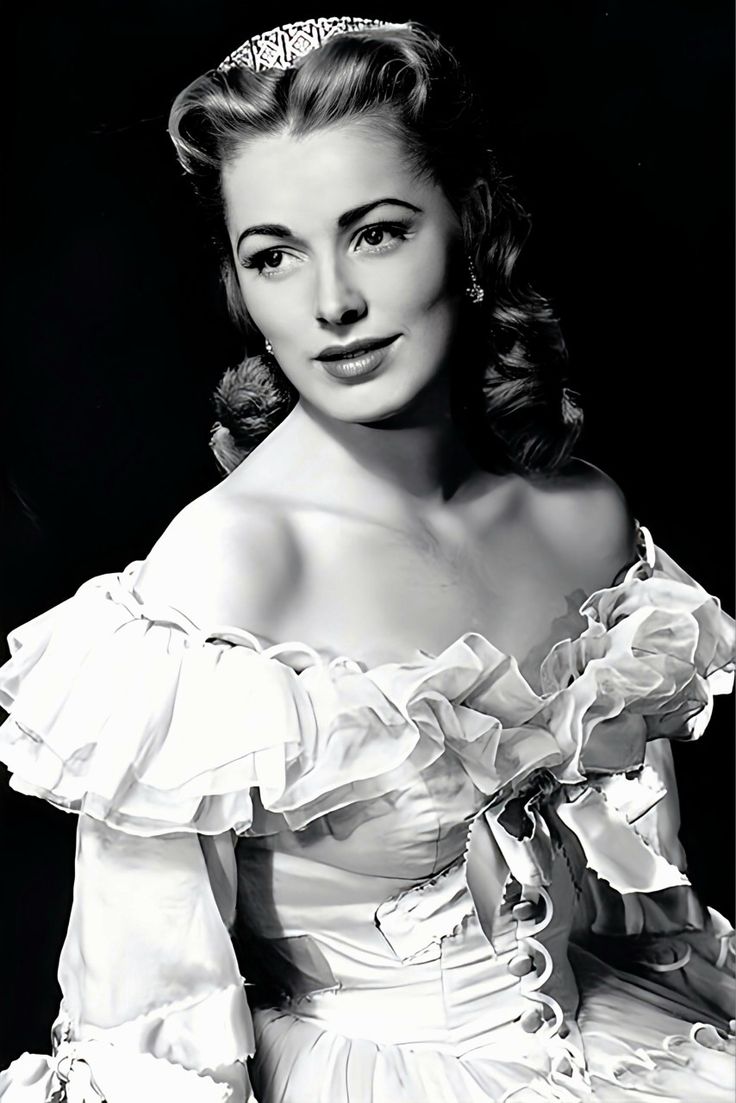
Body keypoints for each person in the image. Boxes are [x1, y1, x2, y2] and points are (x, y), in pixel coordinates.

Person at [0, 15, 733, 1103]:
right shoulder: (227, 566)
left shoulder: (580, 517)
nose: (331, 302)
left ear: (469, 227)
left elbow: (643, 882)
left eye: (376, 232)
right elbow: (145, 1023)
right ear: (241, 285)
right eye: (275, 254)